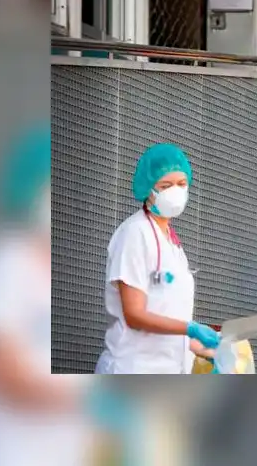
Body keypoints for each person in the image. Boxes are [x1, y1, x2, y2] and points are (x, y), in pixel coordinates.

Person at [0, 124, 93, 466]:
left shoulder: (65, 267)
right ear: (32, 189)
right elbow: (4, 373)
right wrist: (82, 403)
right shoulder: (3, 263)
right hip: (5, 452)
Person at [95, 143, 222, 374]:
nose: (175, 191)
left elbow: (168, 320)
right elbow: (135, 315)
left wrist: (208, 351)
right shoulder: (134, 233)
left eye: (182, 184)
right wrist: (191, 328)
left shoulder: (173, 245)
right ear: (148, 189)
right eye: (166, 185)